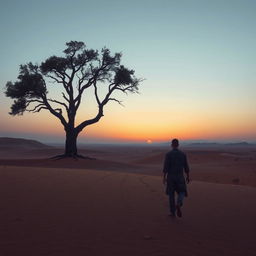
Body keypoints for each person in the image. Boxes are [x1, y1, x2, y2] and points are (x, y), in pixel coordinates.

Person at [163, 138, 190, 217]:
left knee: (171, 195)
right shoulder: (183, 154)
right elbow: (186, 167)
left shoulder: (168, 154)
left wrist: (164, 177)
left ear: (172, 145)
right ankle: (179, 202)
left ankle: (172, 212)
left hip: (171, 177)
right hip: (180, 177)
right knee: (182, 191)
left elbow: (166, 167)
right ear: (178, 145)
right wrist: (188, 176)